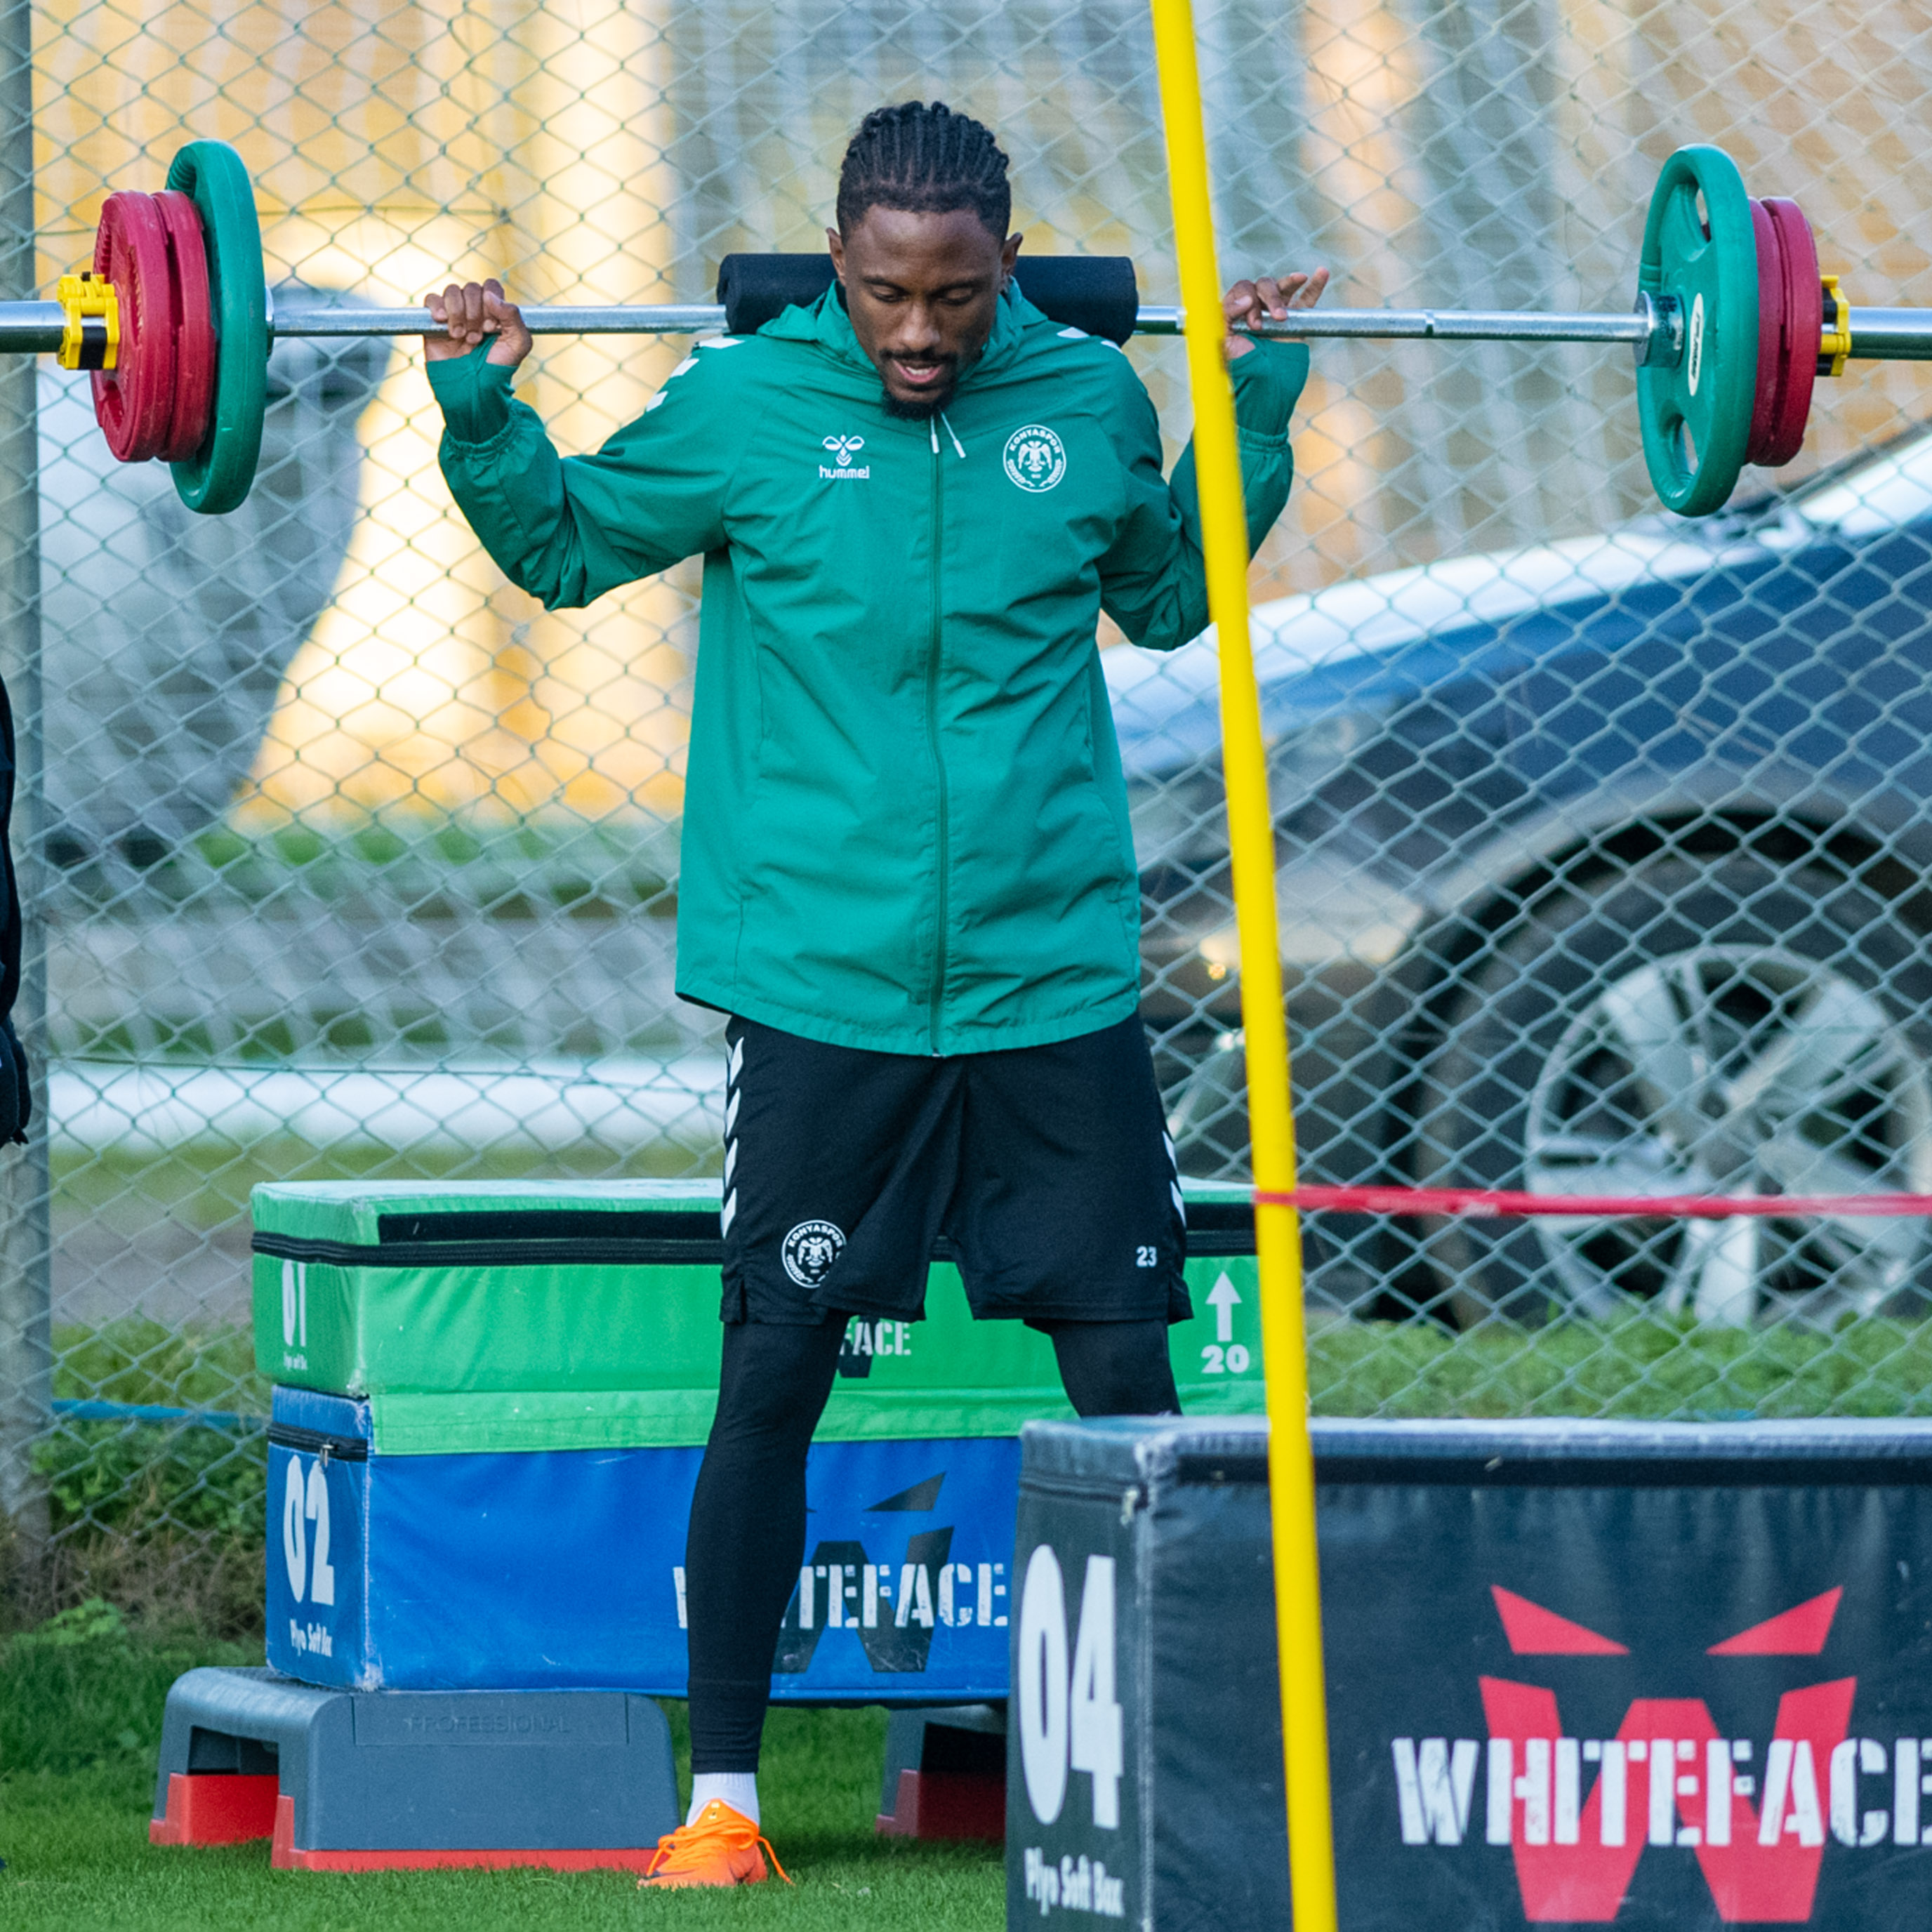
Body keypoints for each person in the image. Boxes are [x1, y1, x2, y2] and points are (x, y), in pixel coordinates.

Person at [423, 98, 1323, 1888]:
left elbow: (1166, 596)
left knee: (1125, 1369)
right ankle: (726, 1802)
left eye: (957, 296)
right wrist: (482, 410)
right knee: (775, 1364)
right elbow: (567, 548)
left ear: (1007, 268)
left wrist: (1250, 412)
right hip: (820, 978)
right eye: (889, 293)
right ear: (835, 262)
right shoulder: (746, 406)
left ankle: (1182, 1778)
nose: (920, 331)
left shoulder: (1085, 399)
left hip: (1047, 970)